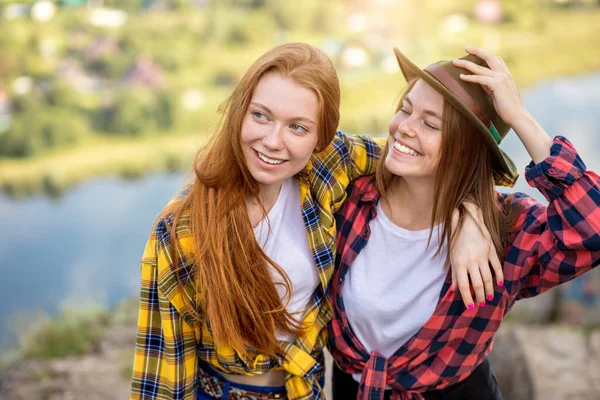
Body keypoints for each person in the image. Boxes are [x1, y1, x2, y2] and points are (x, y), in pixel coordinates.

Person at [129, 43, 498, 400]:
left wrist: (468, 211)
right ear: (239, 111)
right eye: (260, 115)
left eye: (298, 128)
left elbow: (427, 160)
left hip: (305, 390)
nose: (273, 142)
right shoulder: (182, 228)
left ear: (321, 137)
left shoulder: (325, 168)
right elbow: (162, 372)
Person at [328, 46, 600, 400]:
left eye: (429, 123)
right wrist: (464, 208)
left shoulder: (507, 230)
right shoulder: (353, 195)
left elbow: (592, 227)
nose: (404, 129)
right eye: (405, 109)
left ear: (465, 149)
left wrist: (518, 116)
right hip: (352, 389)